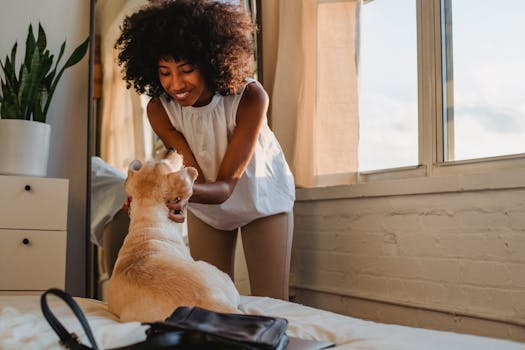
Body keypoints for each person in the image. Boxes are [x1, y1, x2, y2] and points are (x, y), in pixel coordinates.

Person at [115, 0, 295, 300]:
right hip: (205, 205)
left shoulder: (250, 97)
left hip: (262, 199)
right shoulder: (160, 109)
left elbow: (225, 186)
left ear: (212, 61)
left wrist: (164, 192)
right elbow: (191, 174)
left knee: (272, 301)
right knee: (207, 299)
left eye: (186, 70)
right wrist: (151, 196)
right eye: (164, 72)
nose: (175, 84)